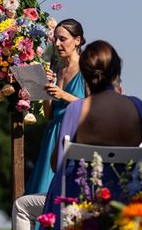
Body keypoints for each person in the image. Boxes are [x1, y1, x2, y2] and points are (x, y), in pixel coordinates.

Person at [40, 40, 142, 229]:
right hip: (128, 205)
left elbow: (56, 164)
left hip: (81, 208)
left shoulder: (78, 109)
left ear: (85, 74)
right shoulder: (137, 106)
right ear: (116, 71)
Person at [12, 19, 87, 230]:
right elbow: (48, 113)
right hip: (53, 134)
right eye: (56, 39)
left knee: (63, 196)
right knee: (41, 190)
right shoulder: (57, 68)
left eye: (63, 39)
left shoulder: (87, 69)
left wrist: (63, 94)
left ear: (77, 40)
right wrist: (48, 90)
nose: (58, 44)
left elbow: (92, 106)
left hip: (74, 133)